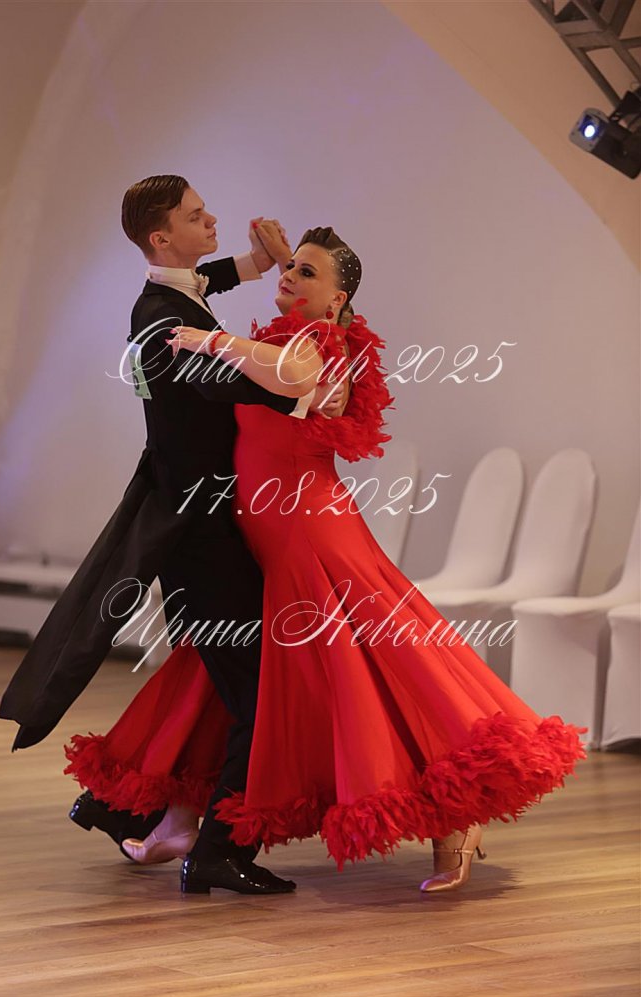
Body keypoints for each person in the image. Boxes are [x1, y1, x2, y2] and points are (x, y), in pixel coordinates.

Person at [63, 226, 587, 896]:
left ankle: (456, 818)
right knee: (240, 673)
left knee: (376, 669)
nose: (290, 276)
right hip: (265, 533)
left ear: (337, 300)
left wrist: (207, 339)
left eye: (307, 272)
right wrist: (246, 284)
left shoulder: (315, 342)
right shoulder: (285, 339)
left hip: (308, 530)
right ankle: (183, 817)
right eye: (290, 267)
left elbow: (297, 374)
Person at [0, 176, 344, 894]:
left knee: (216, 681)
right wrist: (309, 390)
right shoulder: (162, 324)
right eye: (195, 215)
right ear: (162, 237)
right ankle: (217, 850)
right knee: (257, 691)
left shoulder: (173, 296)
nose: (210, 218)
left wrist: (255, 263)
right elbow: (227, 381)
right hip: (197, 535)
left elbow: (205, 283)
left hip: (200, 526)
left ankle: (123, 806)